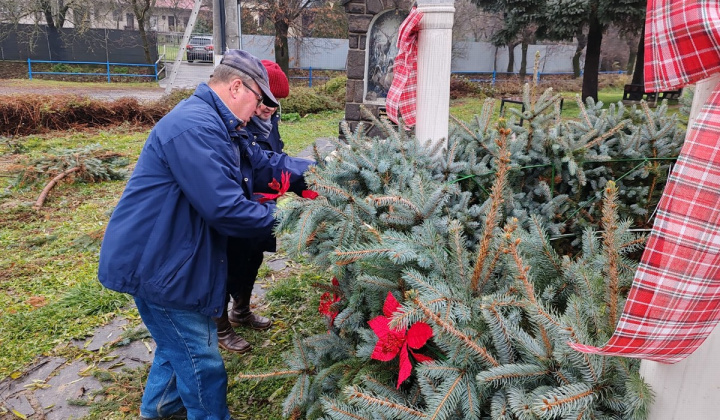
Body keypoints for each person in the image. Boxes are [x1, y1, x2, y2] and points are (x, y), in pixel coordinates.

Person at [97, 50, 313, 420]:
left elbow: (264, 165)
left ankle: (160, 411)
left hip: (175, 254)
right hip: (161, 262)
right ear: (236, 87)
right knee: (201, 362)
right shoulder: (195, 127)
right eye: (260, 101)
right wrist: (299, 219)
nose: (263, 111)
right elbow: (226, 209)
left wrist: (320, 173)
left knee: (175, 347)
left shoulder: (223, 124)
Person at [215, 59, 292, 353]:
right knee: (226, 265)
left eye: (275, 103)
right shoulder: (235, 126)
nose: (269, 108)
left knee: (252, 260)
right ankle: (220, 325)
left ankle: (241, 310)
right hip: (243, 210)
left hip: (263, 208)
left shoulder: (268, 122)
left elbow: (274, 158)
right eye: (264, 100)